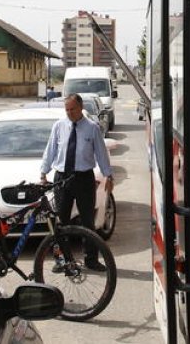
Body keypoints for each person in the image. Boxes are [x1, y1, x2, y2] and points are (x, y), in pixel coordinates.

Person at [39, 93, 114, 271]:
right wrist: (43, 173)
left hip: (84, 178)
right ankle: (62, 260)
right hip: (62, 178)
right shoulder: (59, 126)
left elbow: (101, 154)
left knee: (87, 221)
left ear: (81, 108)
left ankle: (91, 259)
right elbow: (50, 150)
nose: (69, 112)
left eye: (72, 109)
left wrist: (108, 175)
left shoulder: (92, 128)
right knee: (61, 221)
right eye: (67, 110)